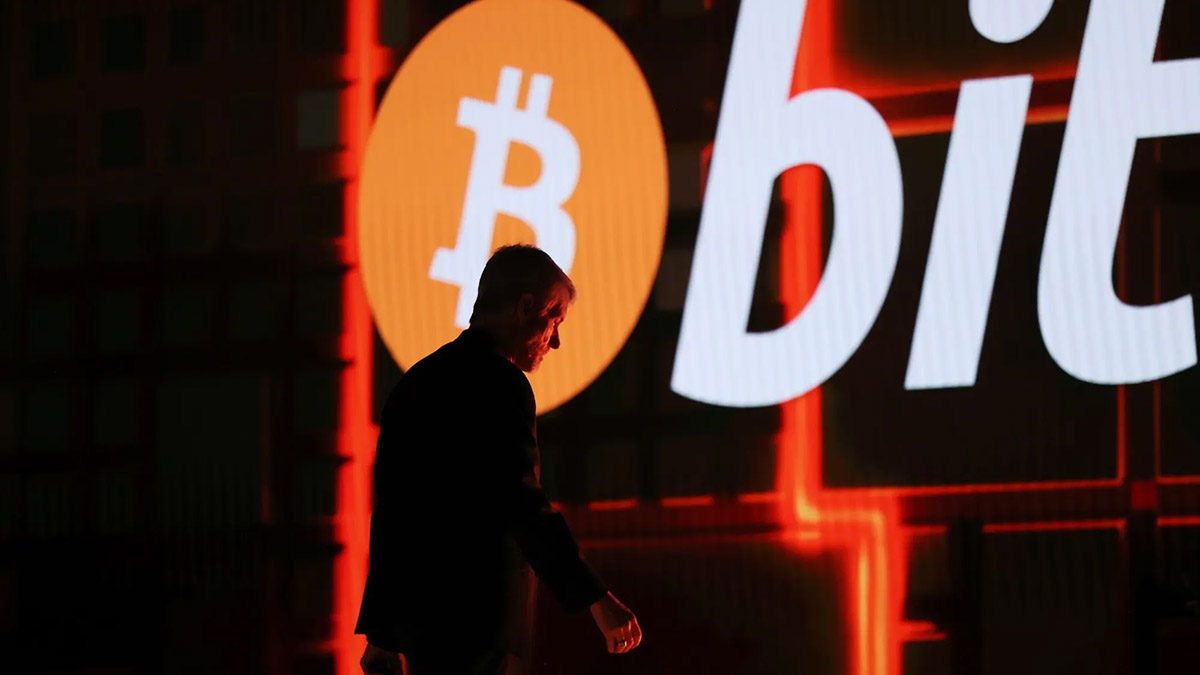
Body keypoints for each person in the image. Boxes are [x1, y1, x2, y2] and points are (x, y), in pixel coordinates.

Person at [356, 245, 642, 675]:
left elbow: (394, 513)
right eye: (554, 320)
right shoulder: (503, 385)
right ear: (526, 307)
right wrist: (596, 599)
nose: (556, 341)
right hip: (482, 629)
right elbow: (523, 504)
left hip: (423, 634)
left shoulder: (416, 383)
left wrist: (380, 635)